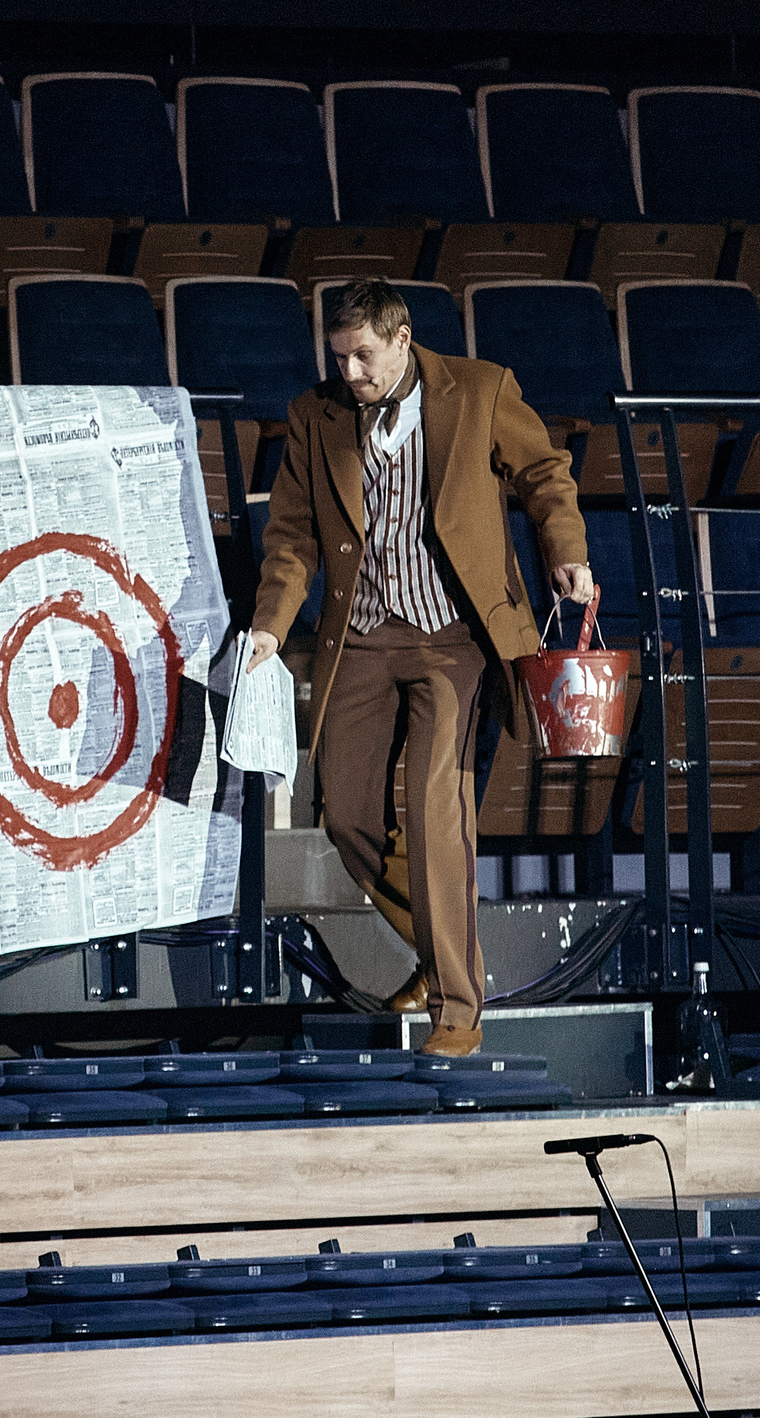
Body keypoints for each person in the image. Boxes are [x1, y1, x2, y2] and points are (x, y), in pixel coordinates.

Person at [243, 279, 590, 1055]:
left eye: (363, 354)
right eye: (339, 357)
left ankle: (459, 1011)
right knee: (347, 814)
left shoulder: (480, 388)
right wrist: (270, 626)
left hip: (455, 636)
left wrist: (567, 553)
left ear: (403, 338)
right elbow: (293, 536)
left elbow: (544, 472)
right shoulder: (315, 416)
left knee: (438, 810)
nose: (352, 371)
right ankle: (442, 956)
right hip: (362, 634)